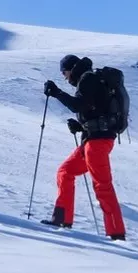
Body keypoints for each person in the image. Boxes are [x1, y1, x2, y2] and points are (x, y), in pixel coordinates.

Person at [41, 54, 127, 241]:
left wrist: (56, 92)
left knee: (102, 186)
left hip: (97, 143)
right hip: (93, 139)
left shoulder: (88, 79)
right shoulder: (90, 79)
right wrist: (82, 126)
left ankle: (116, 234)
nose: (65, 77)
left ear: (72, 68)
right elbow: (94, 109)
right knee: (65, 171)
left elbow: (77, 105)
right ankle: (62, 218)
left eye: (64, 72)